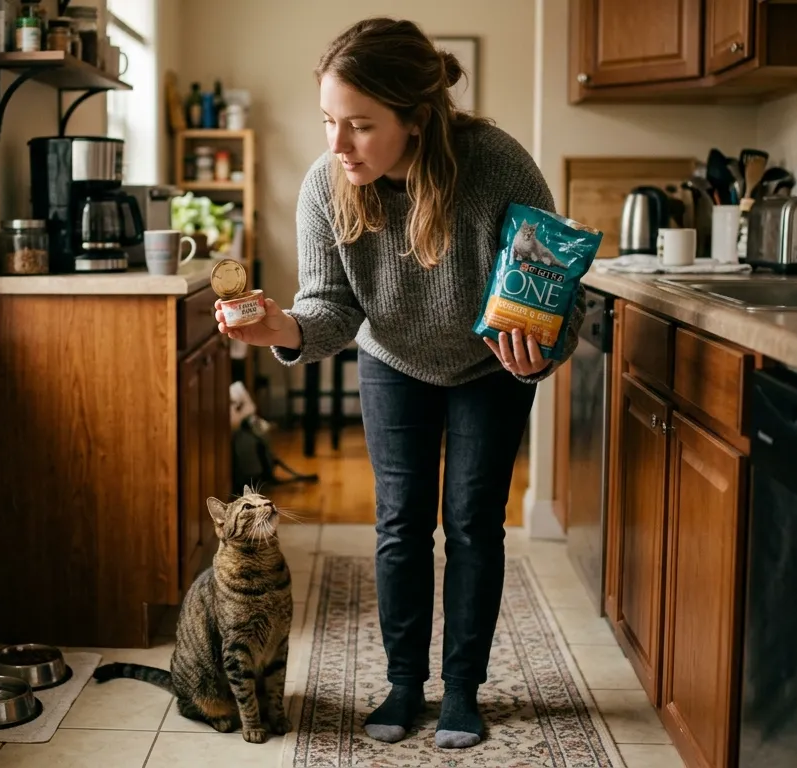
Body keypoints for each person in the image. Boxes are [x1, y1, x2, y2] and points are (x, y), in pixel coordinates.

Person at [214, 17, 585, 749]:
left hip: (491, 366)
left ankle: (464, 692)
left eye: (359, 125)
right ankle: (405, 682)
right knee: (401, 524)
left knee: (474, 524)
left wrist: (540, 351)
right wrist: (280, 328)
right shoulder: (327, 186)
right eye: (328, 121)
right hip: (392, 357)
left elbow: (556, 298)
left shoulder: (497, 166)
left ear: (416, 119)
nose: (337, 144)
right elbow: (331, 306)